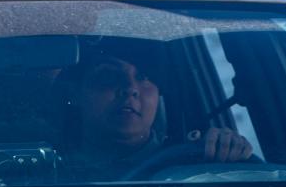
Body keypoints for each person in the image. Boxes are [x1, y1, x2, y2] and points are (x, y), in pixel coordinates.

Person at [63, 47, 253, 177]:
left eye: (144, 77)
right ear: (74, 92)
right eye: (109, 76)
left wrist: (229, 150)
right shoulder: (45, 171)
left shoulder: (199, 166)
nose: (130, 88)